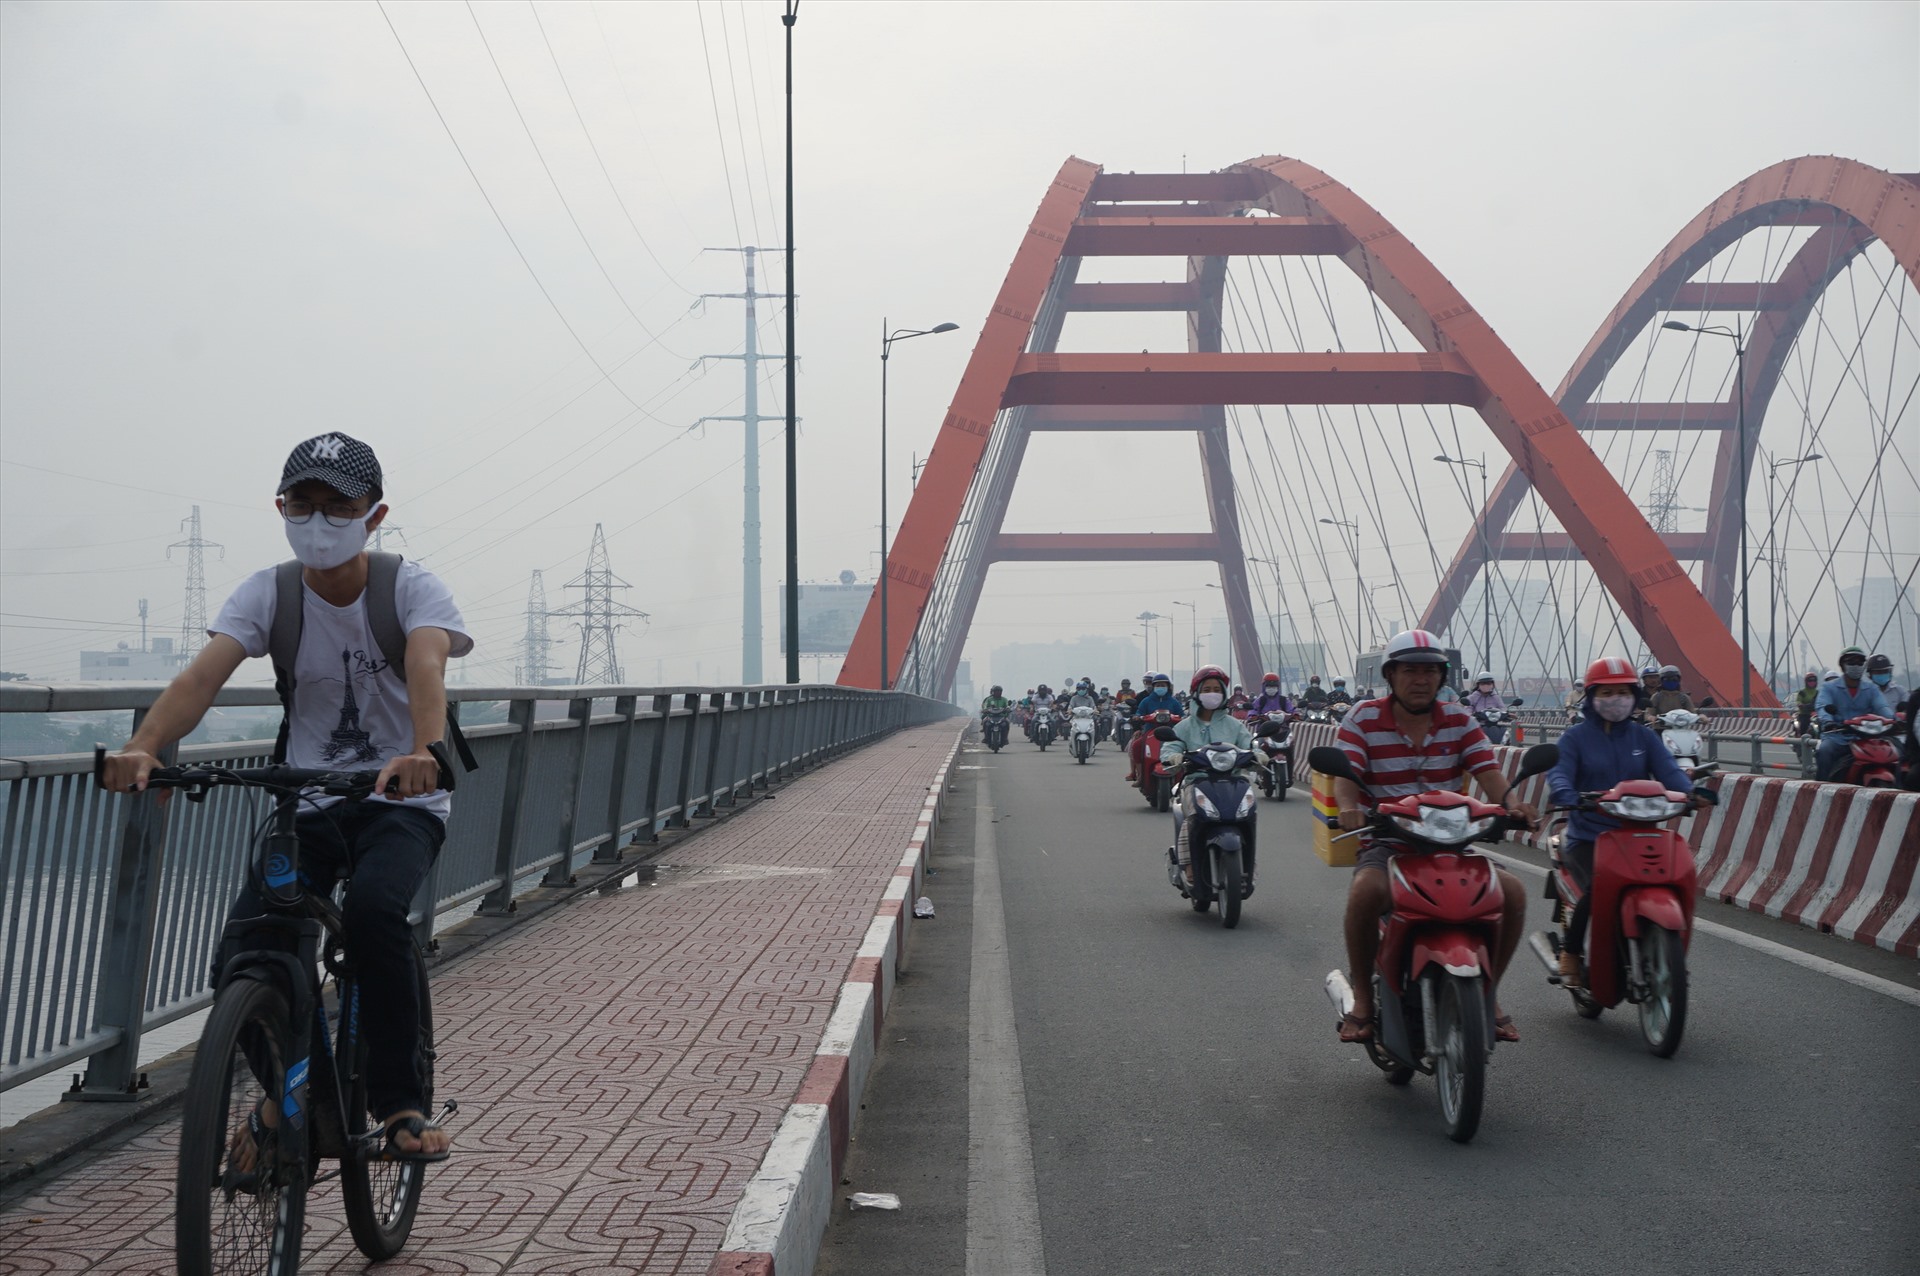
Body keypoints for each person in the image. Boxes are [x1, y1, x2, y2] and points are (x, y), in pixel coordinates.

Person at [99, 433, 468, 1162]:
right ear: (281, 508)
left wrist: (426, 751)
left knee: (372, 915)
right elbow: (200, 679)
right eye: (304, 505)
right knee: (248, 951)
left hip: (402, 801)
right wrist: (145, 747)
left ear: (375, 514)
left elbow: (427, 663)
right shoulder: (269, 592)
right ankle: (300, 1105)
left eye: (340, 507)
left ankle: (399, 1105)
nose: (320, 522)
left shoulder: (410, 589)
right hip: (311, 801)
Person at [1331, 630, 1535, 1044]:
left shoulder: (1460, 719)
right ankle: (1363, 1001)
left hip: (1451, 843)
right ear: (1391, 675)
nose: (1420, 679)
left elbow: (1488, 772)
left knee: (1512, 892)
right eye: (1410, 670)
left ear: (1442, 678)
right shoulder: (1363, 718)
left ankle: (1489, 991)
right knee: (1364, 893)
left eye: (1430, 671)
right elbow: (1345, 776)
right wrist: (1350, 809)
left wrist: (1513, 805)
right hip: (1388, 842)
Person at [1545, 656, 1706, 986]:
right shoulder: (1574, 738)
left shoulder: (1643, 737)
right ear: (1592, 696)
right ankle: (1571, 954)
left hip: (1638, 834)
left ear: (1634, 695)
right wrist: (1569, 795)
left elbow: (1670, 773)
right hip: (1589, 837)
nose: (1615, 699)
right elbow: (1559, 775)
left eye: (1622, 692)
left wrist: (1690, 794)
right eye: (1607, 692)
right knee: (1595, 890)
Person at [1168, 665, 1254, 887]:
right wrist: (1174, 757)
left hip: (1234, 782)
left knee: (1249, 813)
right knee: (1193, 816)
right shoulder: (1185, 726)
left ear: (1224, 693)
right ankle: (1189, 865)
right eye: (1207, 689)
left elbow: (1249, 745)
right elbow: (1170, 747)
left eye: (1217, 688)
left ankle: (1248, 865)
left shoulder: (1235, 725)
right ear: (1197, 692)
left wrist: (1260, 755)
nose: (1212, 693)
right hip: (1196, 782)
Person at [1814, 647, 1892, 781]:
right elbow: (1822, 707)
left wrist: (1893, 720)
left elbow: (1882, 707)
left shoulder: (1871, 689)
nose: (1856, 666)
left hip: (1865, 738)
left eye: (1860, 662)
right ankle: (1821, 790)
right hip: (1837, 737)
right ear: (1843, 665)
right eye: (1851, 662)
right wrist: (1828, 721)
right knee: (1825, 751)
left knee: (1896, 752)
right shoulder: (1829, 688)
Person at [1126, 672, 1182, 781]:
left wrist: (1182, 718)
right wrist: (1138, 717)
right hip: (1149, 731)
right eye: (1157, 685)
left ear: (1168, 687)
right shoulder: (1146, 701)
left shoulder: (1174, 702)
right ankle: (1140, 776)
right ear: (1153, 687)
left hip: (1170, 733)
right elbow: (1139, 712)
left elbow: (1181, 714)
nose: (1160, 688)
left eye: (1163, 685)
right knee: (1136, 746)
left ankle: (1181, 777)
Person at [1464, 672, 1508, 744]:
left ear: (1492, 684)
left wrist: (1506, 714)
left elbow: (1502, 708)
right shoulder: (1473, 697)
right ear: (1478, 685)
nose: (1486, 686)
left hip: (1495, 724)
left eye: (1488, 683)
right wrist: (1470, 715)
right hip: (1478, 725)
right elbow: (1468, 707)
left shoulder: (1496, 697)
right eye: (1483, 684)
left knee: (1508, 737)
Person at [1791, 672, 1821, 737]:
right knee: (1803, 726)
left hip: (1816, 715)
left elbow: (1822, 702)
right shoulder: (1802, 692)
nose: (1812, 682)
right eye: (1810, 680)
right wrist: (1801, 705)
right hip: (1804, 715)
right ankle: (1802, 739)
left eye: (1814, 680)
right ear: (1806, 682)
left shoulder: (1818, 692)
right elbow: (1798, 701)